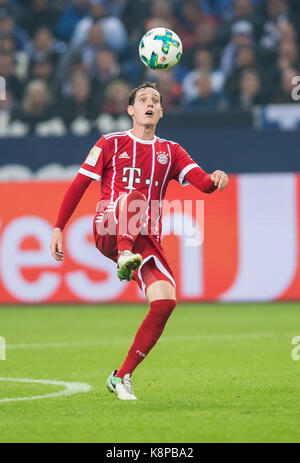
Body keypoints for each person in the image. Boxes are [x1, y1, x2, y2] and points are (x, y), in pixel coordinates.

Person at [50, 82, 229, 400]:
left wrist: (215, 179)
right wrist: (58, 227)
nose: (150, 103)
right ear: (130, 109)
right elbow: (78, 185)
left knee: (165, 302)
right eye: (143, 99)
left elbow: (201, 183)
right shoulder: (109, 143)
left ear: (161, 112)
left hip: (145, 238)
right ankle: (123, 256)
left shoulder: (171, 151)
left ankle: (121, 377)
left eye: (156, 100)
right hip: (109, 227)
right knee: (131, 197)